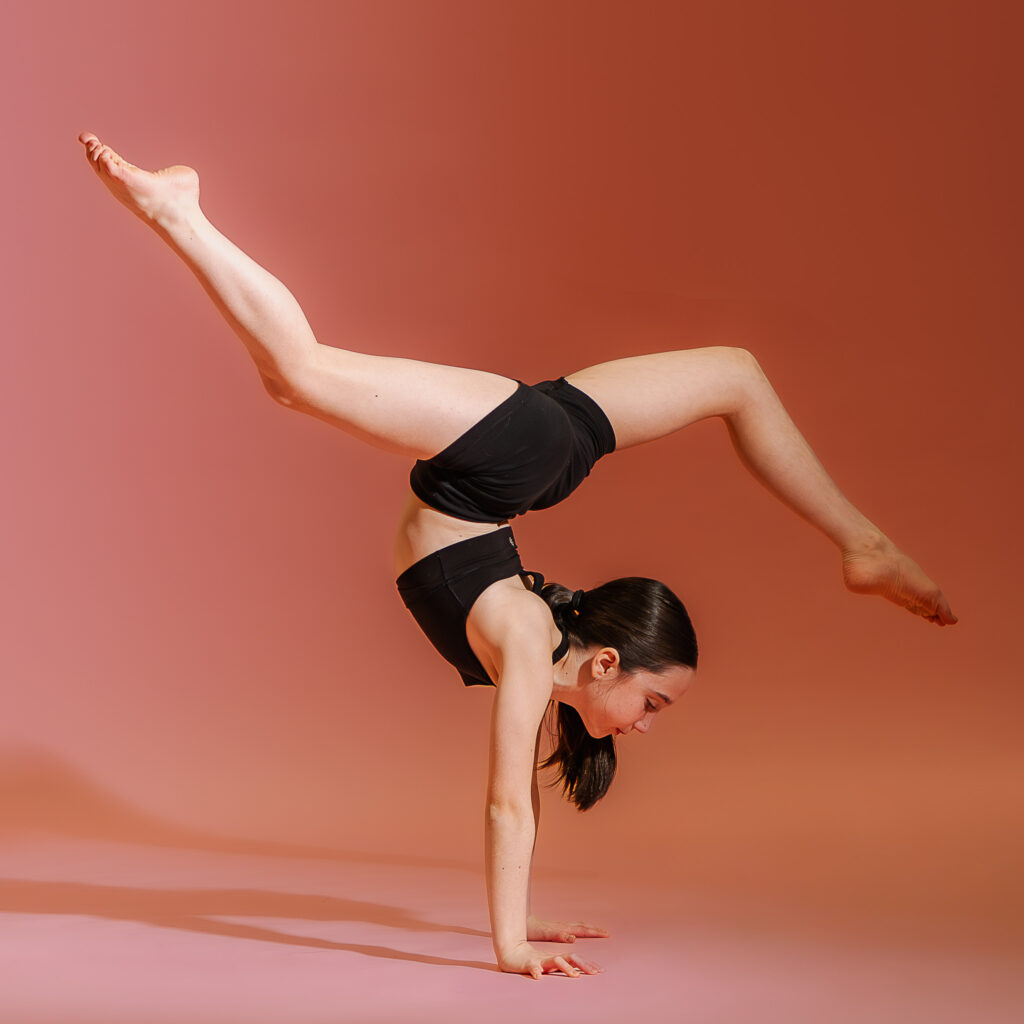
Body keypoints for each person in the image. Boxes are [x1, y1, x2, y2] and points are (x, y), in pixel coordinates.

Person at [77, 132, 957, 980]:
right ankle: (179, 212)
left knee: (734, 372)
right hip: (503, 460)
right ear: (606, 661)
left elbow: (520, 798)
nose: (646, 724)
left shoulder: (535, 650)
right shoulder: (532, 641)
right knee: (297, 375)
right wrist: (509, 948)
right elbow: (502, 804)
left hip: (535, 447)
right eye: (651, 700)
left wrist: (522, 914)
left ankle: (863, 542)